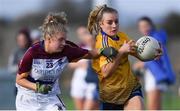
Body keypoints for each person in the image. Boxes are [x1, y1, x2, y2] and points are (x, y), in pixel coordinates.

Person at [15, 12, 118, 110]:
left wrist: (106, 51)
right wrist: (38, 87)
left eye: (65, 39)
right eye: (60, 39)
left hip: (49, 97)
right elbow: (19, 80)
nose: (64, 43)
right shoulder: (32, 53)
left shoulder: (67, 50)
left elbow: (91, 54)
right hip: (28, 98)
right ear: (49, 38)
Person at [87, 5, 162, 110]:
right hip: (111, 95)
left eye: (116, 21)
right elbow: (106, 72)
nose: (114, 25)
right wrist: (121, 51)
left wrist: (153, 52)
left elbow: (139, 53)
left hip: (130, 88)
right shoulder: (103, 44)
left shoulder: (122, 36)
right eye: (110, 22)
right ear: (101, 24)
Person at [133, 16, 176, 110]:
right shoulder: (147, 40)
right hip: (151, 76)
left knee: (152, 108)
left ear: (151, 25)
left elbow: (159, 58)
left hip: (157, 77)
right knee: (156, 108)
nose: (144, 28)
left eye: (146, 25)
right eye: (141, 26)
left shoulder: (155, 39)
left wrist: (142, 63)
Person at [69, 26, 99, 110]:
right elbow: (71, 64)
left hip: (93, 82)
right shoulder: (78, 49)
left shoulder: (97, 48)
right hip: (79, 80)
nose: (83, 36)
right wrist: (82, 64)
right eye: (80, 34)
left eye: (85, 33)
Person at [8, 28, 32, 95]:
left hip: (33, 85)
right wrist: (21, 67)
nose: (22, 42)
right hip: (20, 86)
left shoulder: (33, 50)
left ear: (28, 39)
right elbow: (10, 68)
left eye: (24, 40)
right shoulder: (15, 52)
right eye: (19, 40)